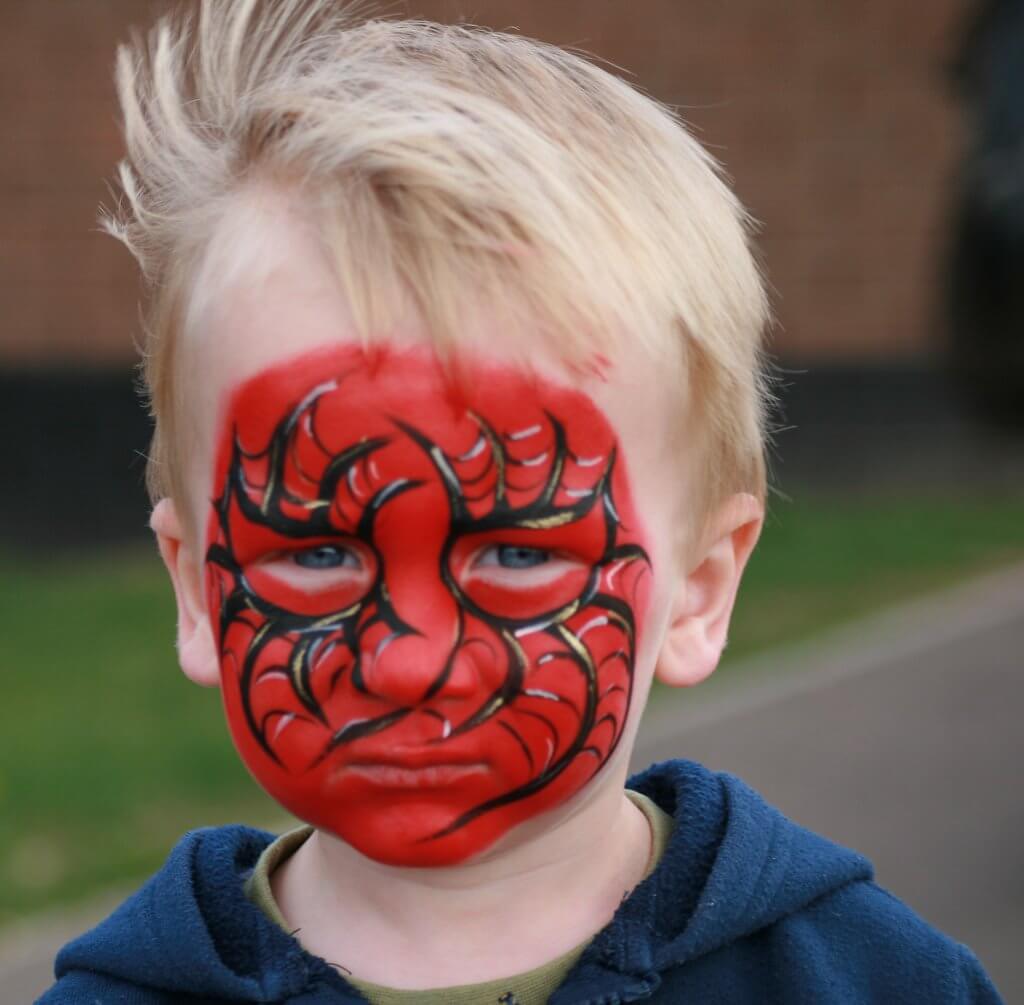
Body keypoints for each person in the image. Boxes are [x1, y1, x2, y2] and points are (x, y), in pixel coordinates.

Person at [41, 2, 1002, 1002]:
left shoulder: (871, 984)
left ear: (698, 591)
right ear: (199, 591)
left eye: (514, 552)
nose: (409, 661)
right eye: (319, 553)